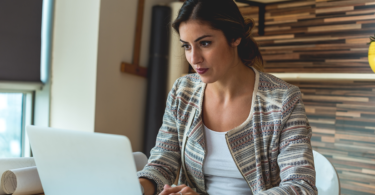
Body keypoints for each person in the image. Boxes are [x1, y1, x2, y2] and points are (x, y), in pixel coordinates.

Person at [138, 0, 317, 194]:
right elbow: (163, 161)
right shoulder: (183, 92)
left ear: (235, 37)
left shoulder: (283, 100)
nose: (194, 58)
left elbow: (300, 186)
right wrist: (136, 187)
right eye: (187, 46)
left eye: (204, 43)